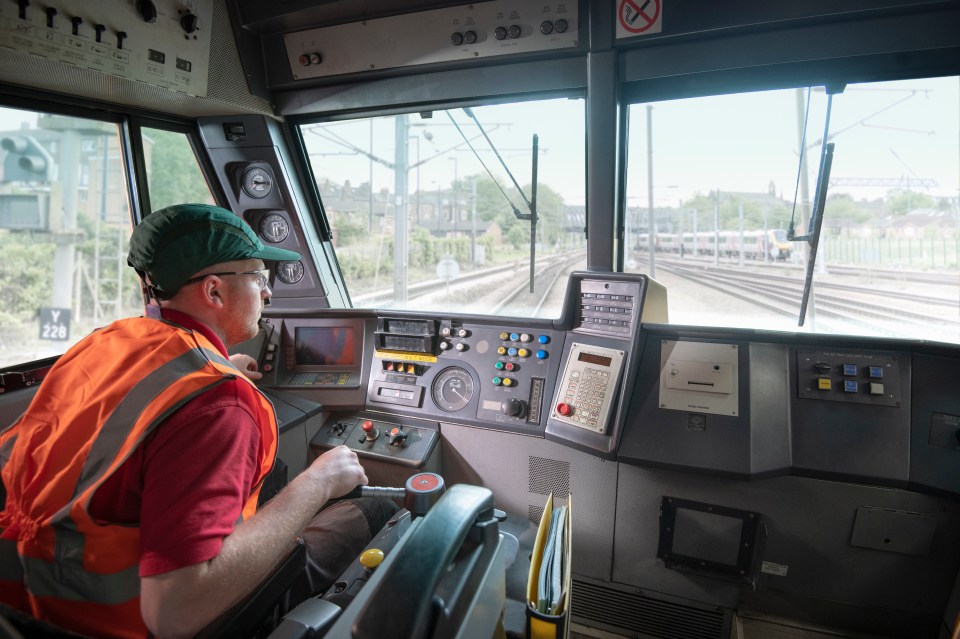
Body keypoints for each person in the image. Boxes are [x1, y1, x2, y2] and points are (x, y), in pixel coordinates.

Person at [0, 204, 394, 639]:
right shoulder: (218, 402)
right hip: (124, 623)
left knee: (275, 474)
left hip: (24, 601)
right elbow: (175, 614)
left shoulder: (104, 345)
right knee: (373, 509)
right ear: (214, 292)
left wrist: (218, 367)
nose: (267, 295)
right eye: (259, 278)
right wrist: (318, 481)